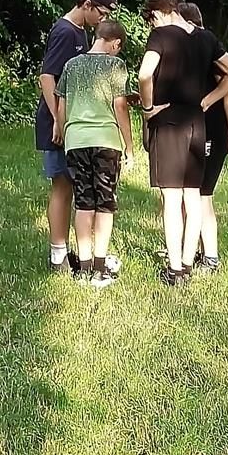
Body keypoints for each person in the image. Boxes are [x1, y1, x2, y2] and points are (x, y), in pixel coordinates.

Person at [138, 0, 228, 286]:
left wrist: (147, 108)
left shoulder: (161, 36)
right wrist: (207, 101)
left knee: (172, 198)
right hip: (197, 123)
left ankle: (174, 270)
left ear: (157, 14)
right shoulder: (205, 38)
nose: (152, 25)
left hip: (168, 123)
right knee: (193, 196)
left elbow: (145, 75)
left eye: (150, 20)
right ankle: (187, 263)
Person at [35, 0, 118, 272]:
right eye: (102, 13)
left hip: (72, 122)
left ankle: (72, 250)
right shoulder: (65, 31)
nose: (103, 20)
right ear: (87, 4)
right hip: (58, 123)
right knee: (62, 184)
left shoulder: (80, 31)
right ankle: (58, 254)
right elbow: (47, 78)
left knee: (72, 184)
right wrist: (58, 121)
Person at [55, 20, 133, 288]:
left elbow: (62, 106)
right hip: (105, 141)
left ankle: (84, 267)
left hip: (76, 140)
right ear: (116, 43)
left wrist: (64, 133)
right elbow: (120, 106)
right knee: (105, 203)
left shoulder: (71, 65)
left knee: (83, 202)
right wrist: (129, 146)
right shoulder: (115, 65)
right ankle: (100, 269)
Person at [178, 1, 228, 274]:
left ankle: (210, 257)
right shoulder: (194, 51)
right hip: (196, 130)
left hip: (211, 131)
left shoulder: (208, 51)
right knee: (190, 194)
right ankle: (191, 250)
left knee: (202, 195)